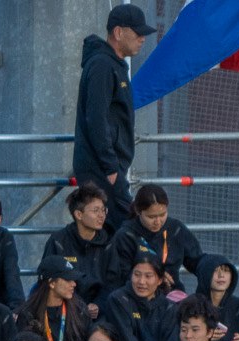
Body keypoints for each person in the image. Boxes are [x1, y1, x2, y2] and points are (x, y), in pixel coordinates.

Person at [75, 5, 155, 225]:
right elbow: (96, 118)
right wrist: (110, 167)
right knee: (127, 227)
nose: (142, 38)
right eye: (137, 33)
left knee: (109, 231)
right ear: (118, 32)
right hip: (103, 169)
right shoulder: (103, 65)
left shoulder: (112, 64)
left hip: (107, 167)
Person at [103, 184, 203, 297]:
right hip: (137, 296)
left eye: (162, 215)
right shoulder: (126, 236)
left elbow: (197, 260)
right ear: (138, 212)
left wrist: (213, 267)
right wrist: (154, 277)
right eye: (151, 217)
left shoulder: (176, 229)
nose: (158, 221)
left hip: (173, 293)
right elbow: (119, 276)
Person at [101, 258, 174, 341]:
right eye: (137, 274)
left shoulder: (169, 307)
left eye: (148, 276)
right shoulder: (118, 300)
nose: (141, 281)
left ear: (160, 280)